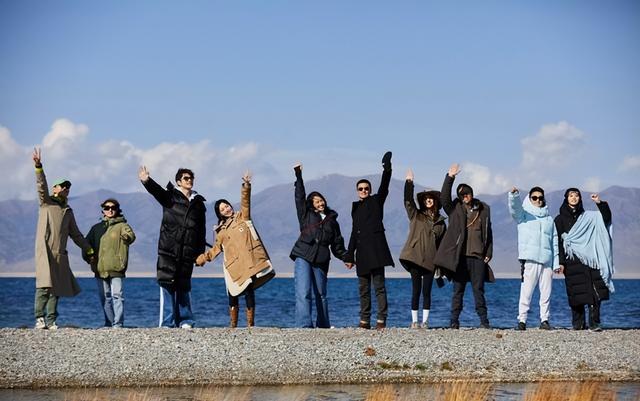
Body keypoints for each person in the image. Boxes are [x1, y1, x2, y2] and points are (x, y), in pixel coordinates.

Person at [196, 171, 275, 328]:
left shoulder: (242, 217)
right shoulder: (220, 231)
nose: (226, 209)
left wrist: (246, 185)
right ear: (219, 213)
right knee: (232, 294)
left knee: (249, 290)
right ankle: (233, 325)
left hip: (248, 262)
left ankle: (250, 325)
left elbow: (245, 202)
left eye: (227, 206)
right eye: (222, 209)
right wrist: (202, 259)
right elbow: (216, 249)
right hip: (232, 266)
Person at [32, 148, 94, 330]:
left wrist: (88, 249)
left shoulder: (68, 211)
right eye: (63, 186)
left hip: (60, 253)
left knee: (56, 289)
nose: (66, 189)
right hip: (44, 251)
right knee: (44, 286)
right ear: (55, 188)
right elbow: (41, 186)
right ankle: (39, 318)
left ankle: (51, 320)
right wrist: (38, 167)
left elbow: (76, 234)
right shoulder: (46, 203)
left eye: (68, 187)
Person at [138, 165, 206, 328]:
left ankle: (185, 320)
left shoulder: (198, 203)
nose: (189, 181)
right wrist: (147, 181)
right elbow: (157, 192)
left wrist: (200, 253)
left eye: (191, 178)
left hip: (188, 252)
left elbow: (201, 230)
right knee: (167, 284)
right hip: (169, 249)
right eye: (185, 178)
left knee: (184, 286)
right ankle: (167, 322)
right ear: (178, 181)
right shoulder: (170, 197)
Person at [434, 163, 494, 329]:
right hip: (459, 257)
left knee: (478, 290)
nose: (464, 196)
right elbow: (444, 197)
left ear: (471, 194)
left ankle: (484, 321)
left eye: (466, 193)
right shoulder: (454, 210)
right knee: (458, 290)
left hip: (477, 257)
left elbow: (488, 232)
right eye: (461, 194)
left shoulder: (483, 210)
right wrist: (450, 177)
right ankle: (454, 321)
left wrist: (489, 251)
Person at [290, 162, 347, 328]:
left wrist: (346, 257)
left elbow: (337, 244)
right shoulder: (305, 214)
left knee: (321, 294)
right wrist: (299, 176)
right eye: (316, 201)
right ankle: (304, 326)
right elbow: (299, 197)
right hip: (303, 255)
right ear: (311, 204)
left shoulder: (332, 221)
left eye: (321, 200)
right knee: (303, 292)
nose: (320, 202)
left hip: (321, 259)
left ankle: (323, 325)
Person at [344, 151, 394, 330]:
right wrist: (349, 256)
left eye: (366, 188)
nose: (364, 191)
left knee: (379, 287)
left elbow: (385, 186)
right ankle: (364, 321)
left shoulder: (376, 202)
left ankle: (381, 320)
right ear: (357, 191)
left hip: (376, 251)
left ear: (370, 190)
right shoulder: (355, 208)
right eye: (360, 189)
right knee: (363, 289)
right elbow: (353, 233)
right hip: (362, 254)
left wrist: (387, 168)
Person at [554, 188, 613, 331]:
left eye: (577, 196)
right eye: (571, 195)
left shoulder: (589, 216)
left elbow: (606, 218)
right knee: (576, 292)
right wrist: (560, 262)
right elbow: (558, 243)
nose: (574, 198)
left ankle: (594, 323)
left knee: (594, 292)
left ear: (580, 199)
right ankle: (578, 323)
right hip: (572, 261)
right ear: (566, 198)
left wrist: (599, 203)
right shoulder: (559, 219)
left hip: (591, 259)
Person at [399, 169, 446, 329]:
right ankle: (414, 322)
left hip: (431, 261)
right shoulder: (415, 215)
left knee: (427, 291)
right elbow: (407, 200)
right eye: (426, 198)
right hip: (414, 258)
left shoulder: (441, 223)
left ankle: (425, 322)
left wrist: (441, 266)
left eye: (431, 198)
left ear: (435, 201)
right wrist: (409, 183)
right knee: (416, 290)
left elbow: (442, 246)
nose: (428, 200)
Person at [508, 186, 559, 331]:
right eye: (534, 197)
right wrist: (514, 195)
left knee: (546, 293)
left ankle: (545, 320)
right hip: (529, 260)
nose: (538, 200)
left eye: (540, 197)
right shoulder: (523, 215)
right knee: (527, 291)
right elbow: (514, 208)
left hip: (547, 262)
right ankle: (522, 320)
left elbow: (554, 242)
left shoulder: (549, 219)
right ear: (530, 199)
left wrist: (556, 263)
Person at [84, 198, 136, 328]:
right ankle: (109, 322)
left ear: (117, 209)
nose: (110, 210)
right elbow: (86, 244)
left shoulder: (122, 226)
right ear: (103, 210)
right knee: (105, 297)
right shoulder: (96, 228)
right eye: (107, 208)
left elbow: (130, 235)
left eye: (113, 207)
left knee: (117, 295)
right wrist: (89, 257)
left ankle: (118, 323)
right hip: (99, 268)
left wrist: (127, 237)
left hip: (116, 267)